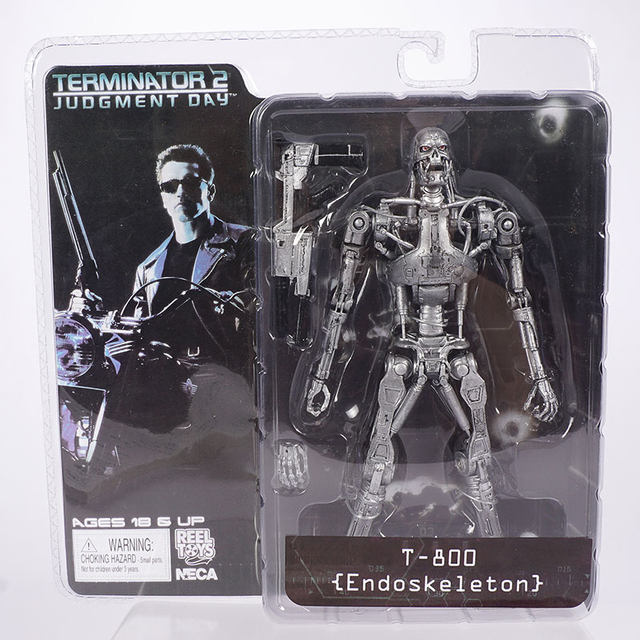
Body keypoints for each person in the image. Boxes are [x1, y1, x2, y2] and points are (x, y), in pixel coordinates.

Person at [133, 144, 254, 370]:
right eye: (170, 186)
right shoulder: (148, 268)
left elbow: (262, 311)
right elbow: (137, 337)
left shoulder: (245, 242)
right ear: (163, 197)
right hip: (166, 382)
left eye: (190, 182)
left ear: (210, 191)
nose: (180, 192)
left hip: (228, 379)